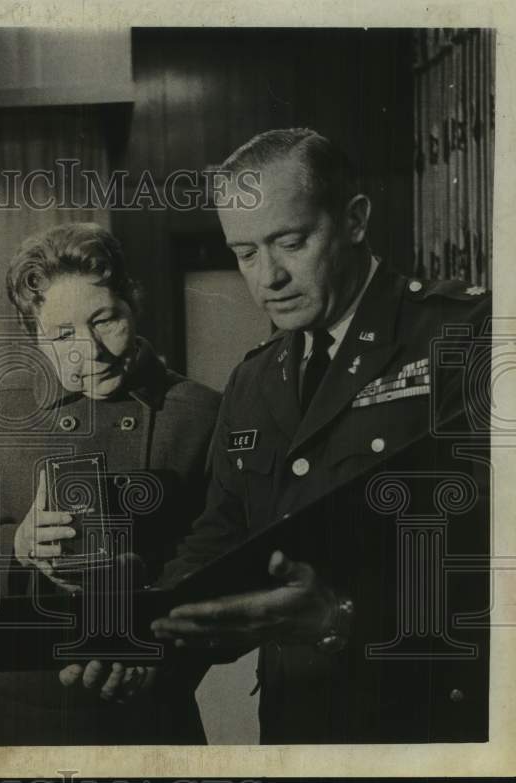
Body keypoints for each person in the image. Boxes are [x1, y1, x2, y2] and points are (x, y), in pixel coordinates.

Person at [150, 128, 491, 743]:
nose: (268, 277)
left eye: (290, 241)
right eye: (245, 253)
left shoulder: (463, 337)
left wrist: (341, 615)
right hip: (297, 723)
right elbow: (223, 533)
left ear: (355, 220)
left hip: (423, 721)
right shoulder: (254, 380)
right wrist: (144, 632)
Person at [0, 222, 221, 745]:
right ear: (34, 337)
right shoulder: (2, 402)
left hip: (145, 698)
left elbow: (217, 560)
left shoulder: (199, 411)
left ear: (133, 303)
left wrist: (159, 654)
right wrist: (14, 545)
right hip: (19, 700)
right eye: (63, 335)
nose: (91, 350)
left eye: (105, 320)